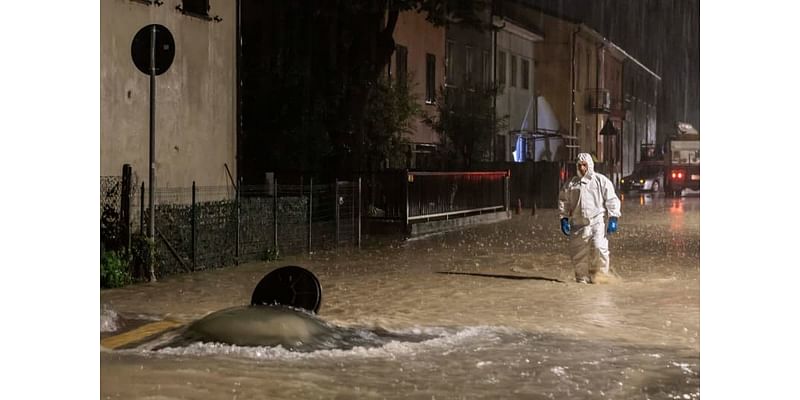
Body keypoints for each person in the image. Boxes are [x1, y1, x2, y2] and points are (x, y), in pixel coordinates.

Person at [558, 153, 621, 283]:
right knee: (579, 253)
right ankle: (582, 279)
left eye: (584, 165)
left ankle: (601, 276)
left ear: (590, 165)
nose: (582, 168)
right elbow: (563, 201)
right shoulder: (571, 184)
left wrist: (613, 217)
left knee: (599, 248)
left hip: (596, 221)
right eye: (579, 165)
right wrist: (563, 218)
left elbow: (611, 199)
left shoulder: (600, 180)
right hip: (578, 223)